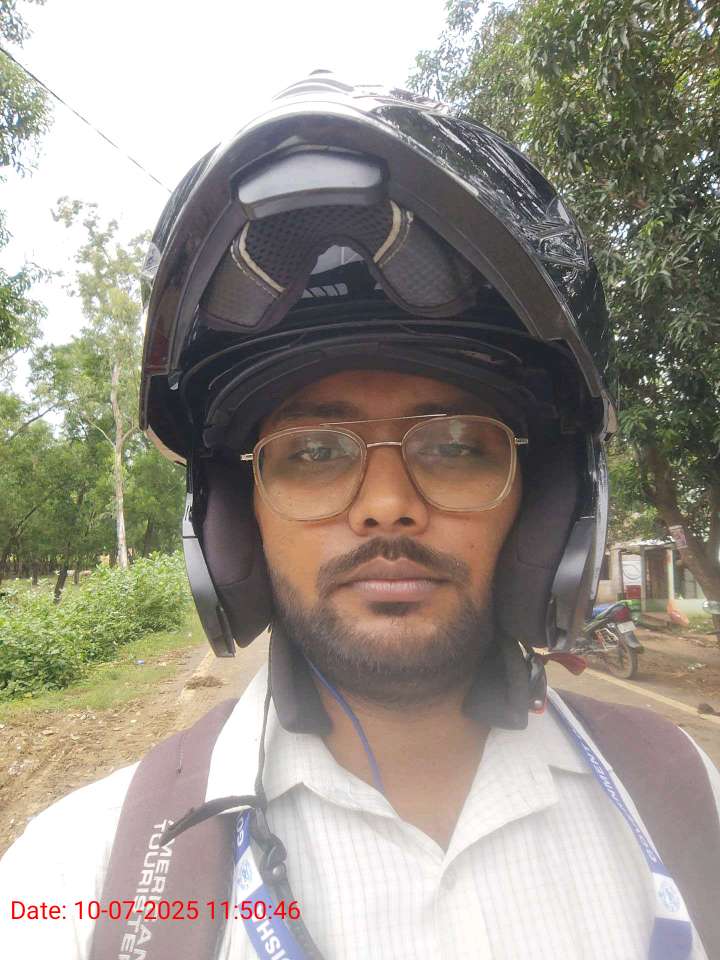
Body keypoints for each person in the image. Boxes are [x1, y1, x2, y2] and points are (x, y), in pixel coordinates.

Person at [1, 72, 719, 960]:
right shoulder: (78, 880)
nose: (387, 506)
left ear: (546, 503)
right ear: (235, 522)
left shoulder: (690, 802)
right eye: (313, 451)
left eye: (455, 445)